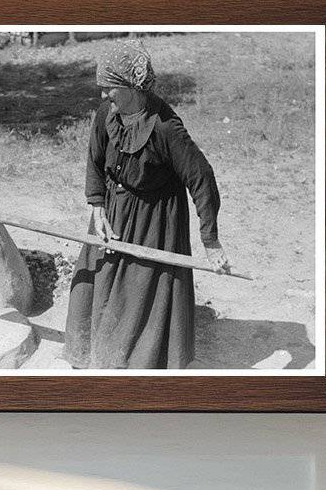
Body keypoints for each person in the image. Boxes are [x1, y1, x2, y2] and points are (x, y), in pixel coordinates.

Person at [64, 41, 230, 370]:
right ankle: (93, 353)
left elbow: (202, 178)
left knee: (137, 293)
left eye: (109, 89)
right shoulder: (106, 114)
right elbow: (94, 159)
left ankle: (135, 363)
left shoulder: (166, 128)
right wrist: (96, 204)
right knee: (95, 279)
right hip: (112, 210)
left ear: (131, 87)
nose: (103, 97)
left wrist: (211, 241)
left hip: (153, 220)